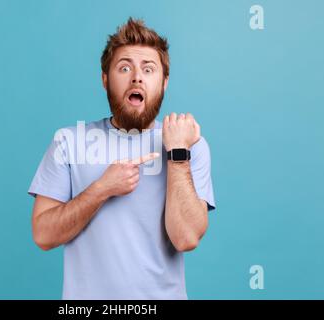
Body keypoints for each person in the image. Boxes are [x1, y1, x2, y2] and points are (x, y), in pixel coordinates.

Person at [28, 17, 216, 299]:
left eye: (148, 69)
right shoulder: (69, 141)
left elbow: (186, 238)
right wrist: (102, 189)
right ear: (105, 79)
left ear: (164, 82)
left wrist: (178, 154)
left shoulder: (189, 145)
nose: (136, 77)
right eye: (124, 67)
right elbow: (43, 235)